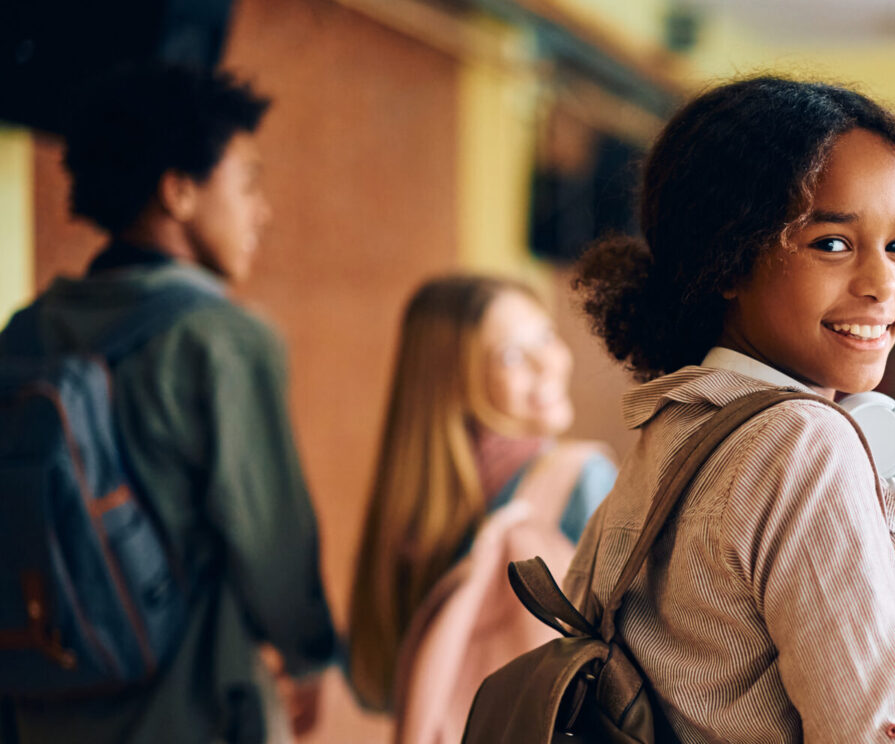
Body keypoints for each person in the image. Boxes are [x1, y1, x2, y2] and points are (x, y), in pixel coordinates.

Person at [566, 75, 895, 743]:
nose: (883, 284)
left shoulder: (674, 429)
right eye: (833, 244)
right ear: (726, 259)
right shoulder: (804, 443)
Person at [0, 64, 336, 743]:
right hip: (189, 708)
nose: (261, 211)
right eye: (247, 183)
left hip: (39, 710)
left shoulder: (25, 330)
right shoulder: (223, 339)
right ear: (178, 192)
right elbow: (272, 542)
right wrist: (313, 659)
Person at [345, 275, 615, 742]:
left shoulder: (414, 519)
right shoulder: (580, 479)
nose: (547, 362)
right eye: (511, 356)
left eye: (546, 336)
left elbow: (378, 687)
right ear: (455, 380)